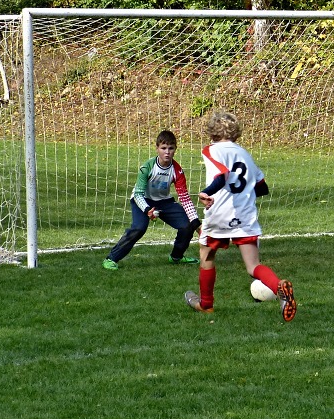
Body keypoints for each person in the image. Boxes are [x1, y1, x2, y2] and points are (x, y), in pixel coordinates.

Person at [184, 111, 297, 321]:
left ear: (212, 131)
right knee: (253, 266)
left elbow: (221, 176)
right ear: (236, 133)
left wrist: (207, 192)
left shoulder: (211, 150)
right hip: (245, 216)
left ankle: (206, 304)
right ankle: (278, 287)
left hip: (220, 212)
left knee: (206, 256)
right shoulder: (245, 154)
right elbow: (262, 187)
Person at [103, 130, 201, 270]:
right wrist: (147, 209)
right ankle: (111, 258)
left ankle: (176, 257)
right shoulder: (147, 167)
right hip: (142, 200)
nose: (167, 152)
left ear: (175, 149)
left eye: (171, 148)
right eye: (163, 148)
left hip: (164, 202)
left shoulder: (177, 170)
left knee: (187, 225)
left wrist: (197, 224)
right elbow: (138, 194)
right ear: (157, 148)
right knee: (139, 228)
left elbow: (184, 198)